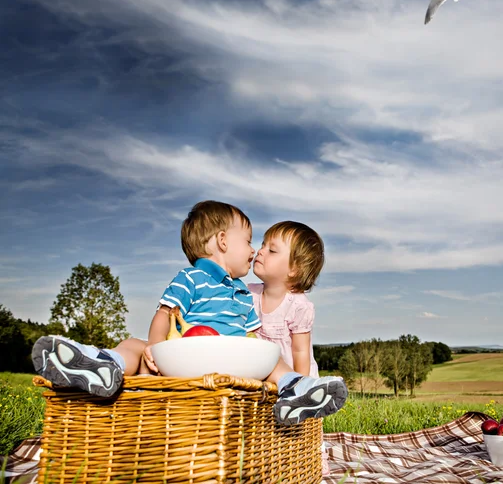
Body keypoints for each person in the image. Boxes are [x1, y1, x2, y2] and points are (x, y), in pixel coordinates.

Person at [32, 200, 347, 426]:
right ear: (223, 242)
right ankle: (101, 364)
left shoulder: (241, 292)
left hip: (231, 362)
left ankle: (298, 387)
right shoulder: (191, 278)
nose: (254, 251)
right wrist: (156, 347)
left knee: (273, 357)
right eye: (250, 242)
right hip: (187, 356)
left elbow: (253, 335)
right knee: (135, 345)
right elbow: (164, 315)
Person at [248, 220, 331, 474]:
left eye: (272, 250)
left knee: (300, 426)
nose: (260, 251)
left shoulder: (298, 305)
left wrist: (301, 383)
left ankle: (311, 454)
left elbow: (300, 350)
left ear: (294, 269)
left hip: (293, 374)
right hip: (260, 374)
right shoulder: (248, 294)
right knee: (264, 423)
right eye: (262, 245)